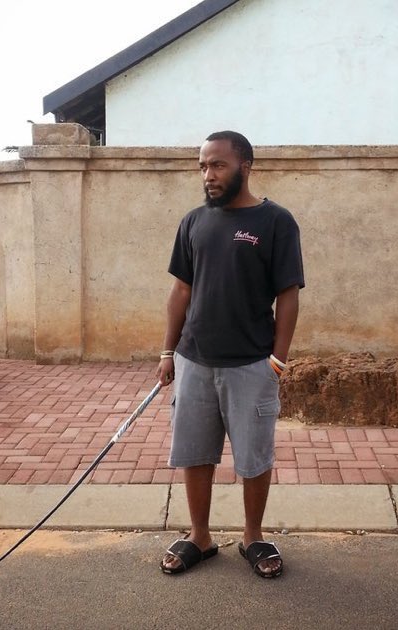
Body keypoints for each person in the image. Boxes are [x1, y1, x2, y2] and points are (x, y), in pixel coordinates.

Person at [156, 130, 304, 579]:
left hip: (251, 364)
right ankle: (199, 536)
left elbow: (288, 295)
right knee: (195, 453)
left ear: (246, 166)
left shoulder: (275, 221)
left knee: (254, 457)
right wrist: (167, 352)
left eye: (218, 165)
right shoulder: (194, 222)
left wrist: (277, 360)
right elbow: (181, 291)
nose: (208, 174)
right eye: (203, 166)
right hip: (194, 361)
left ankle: (253, 536)